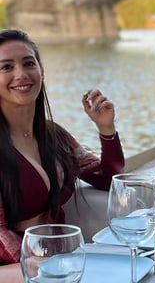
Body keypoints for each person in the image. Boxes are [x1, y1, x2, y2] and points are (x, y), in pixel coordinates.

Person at [0, 30, 125, 279]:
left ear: (41, 72)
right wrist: (44, 265)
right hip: (14, 268)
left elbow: (108, 178)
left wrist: (106, 128)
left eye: (29, 63)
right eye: (6, 67)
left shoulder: (54, 136)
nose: (21, 74)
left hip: (56, 260)